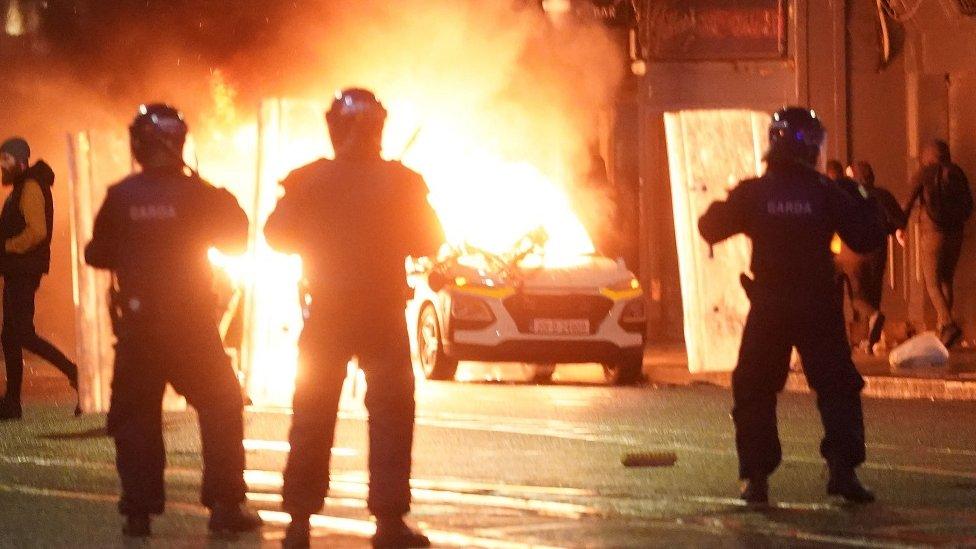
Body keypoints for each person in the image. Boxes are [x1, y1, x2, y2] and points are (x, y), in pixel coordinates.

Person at [265, 88, 443, 549]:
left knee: (312, 413)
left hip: (326, 313)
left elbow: (276, 237)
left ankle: (299, 522)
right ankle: (388, 522)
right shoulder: (402, 181)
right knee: (390, 415)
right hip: (381, 314)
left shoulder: (308, 180)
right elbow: (429, 240)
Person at [84, 104, 262, 538]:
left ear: (141, 142)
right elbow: (237, 241)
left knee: (136, 416)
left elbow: (96, 253)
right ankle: (224, 507)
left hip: (139, 327)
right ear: (177, 140)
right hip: (191, 326)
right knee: (221, 404)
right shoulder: (199, 194)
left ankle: (138, 514)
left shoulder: (121, 195)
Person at [698, 107, 885, 505]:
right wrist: (863, 195)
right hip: (817, 303)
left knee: (754, 387)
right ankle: (842, 470)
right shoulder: (827, 192)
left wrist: (726, 201)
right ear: (813, 146)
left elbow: (709, 227)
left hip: (770, 304)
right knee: (836, 386)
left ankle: (756, 477)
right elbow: (867, 237)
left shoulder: (754, 192)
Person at [0, 137, 79, 421]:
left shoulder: (31, 186)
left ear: (21, 160)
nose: (2, 165)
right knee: (10, 336)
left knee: (21, 334)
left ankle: (74, 373)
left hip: (23, 269)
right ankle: (11, 404)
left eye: (6, 159)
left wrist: (6, 247)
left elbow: (37, 232)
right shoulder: (22, 186)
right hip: (16, 269)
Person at [901, 139, 973, 347]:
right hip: (956, 233)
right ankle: (944, 332)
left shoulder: (925, 173)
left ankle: (948, 323)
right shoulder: (957, 172)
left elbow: (908, 200)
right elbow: (969, 204)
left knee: (932, 282)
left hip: (932, 232)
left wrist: (899, 226)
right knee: (946, 280)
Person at [844, 161, 906, 351]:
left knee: (856, 296)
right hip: (878, 249)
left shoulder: (849, 195)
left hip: (856, 251)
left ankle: (872, 321)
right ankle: (871, 339)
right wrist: (895, 230)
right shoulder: (883, 194)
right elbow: (899, 219)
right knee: (874, 292)